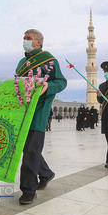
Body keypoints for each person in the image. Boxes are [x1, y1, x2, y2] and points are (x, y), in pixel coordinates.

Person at [16, 29, 67, 205]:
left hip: (38, 112)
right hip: (21, 111)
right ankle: (45, 173)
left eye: (28, 39)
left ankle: (28, 190)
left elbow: (61, 82)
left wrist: (47, 86)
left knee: (31, 150)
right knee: (28, 148)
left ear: (38, 42)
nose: (25, 41)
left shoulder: (49, 60)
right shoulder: (22, 62)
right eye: (24, 38)